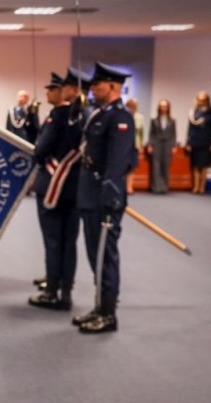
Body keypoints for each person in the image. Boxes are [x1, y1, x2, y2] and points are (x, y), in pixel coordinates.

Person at [74, 62, 135, 334]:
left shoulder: (120, 117)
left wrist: (111, 195)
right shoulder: (99, 114)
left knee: (104, 256)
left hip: (104, 196)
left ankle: (108, 313)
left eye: (97, 85)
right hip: (90, 193)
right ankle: (100, 305)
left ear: (112, 87)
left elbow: (119, 161)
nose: (92, 90)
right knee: (92, 255)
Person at [29, 72, 81, 311]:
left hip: (51, 186)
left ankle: (51, 292)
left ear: (64, 91)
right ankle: (66, 292)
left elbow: (41, 150)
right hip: (75, 188)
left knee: (53, 241)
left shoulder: (56, 117)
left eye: (52, 88)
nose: (48, 92)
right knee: (69, 242)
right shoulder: (85, 117)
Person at [185, 91, 211, 194]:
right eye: (199, 100)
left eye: (203, 100)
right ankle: (195, 187)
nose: (201, 102)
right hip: (195, 142)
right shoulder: (194, 112)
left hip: (206, 143)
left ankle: (202, 187)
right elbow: (190, 129)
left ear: (207, 101)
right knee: (195, 165)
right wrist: (188, 142)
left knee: (203, 166)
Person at [147, 99, 176, 193]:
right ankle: (156, 187)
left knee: (165, 165)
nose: (163, 108)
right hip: (156, 144)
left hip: (167, 144)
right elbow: (151, 133)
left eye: (165, 106)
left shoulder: (172, 120)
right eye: (162, 106)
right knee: (156, 166)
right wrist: (150, 145)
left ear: (168, 108)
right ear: (159, 108)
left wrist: (173, 146)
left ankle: (164, 187)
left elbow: (173, 134)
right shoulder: (154, 120)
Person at [124, 99, 144, 194]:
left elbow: (141, 133)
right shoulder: (122, 116)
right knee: (123, 166)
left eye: (134, 106)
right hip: (124, 145)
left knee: (132, 167)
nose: (132, 108)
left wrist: (141, 145)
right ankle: (122, 186)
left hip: (134, 145)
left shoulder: (139, 117)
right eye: (130, 106)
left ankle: (129, 186)